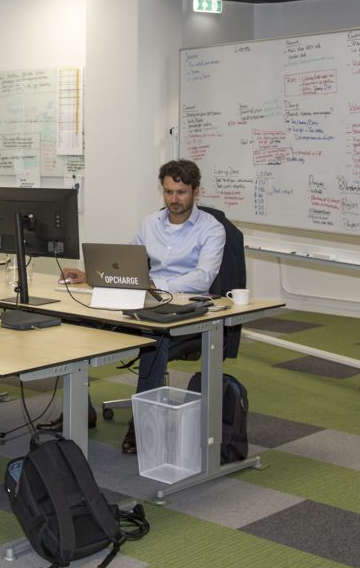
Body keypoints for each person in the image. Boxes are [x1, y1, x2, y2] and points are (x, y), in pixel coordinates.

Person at [41, 159, 225, 454]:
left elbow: (203, 278)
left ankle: (143, 421)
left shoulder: (212, 229)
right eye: (168, 192)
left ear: (196, 192)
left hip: (183, 308)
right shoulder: (150, 223)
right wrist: (91, 277)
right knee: (77, 321)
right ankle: (80, 409)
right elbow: (128, 266)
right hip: (146, 297)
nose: (173, 200)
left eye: (181, 193)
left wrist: (157, 284)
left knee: (154, 339)